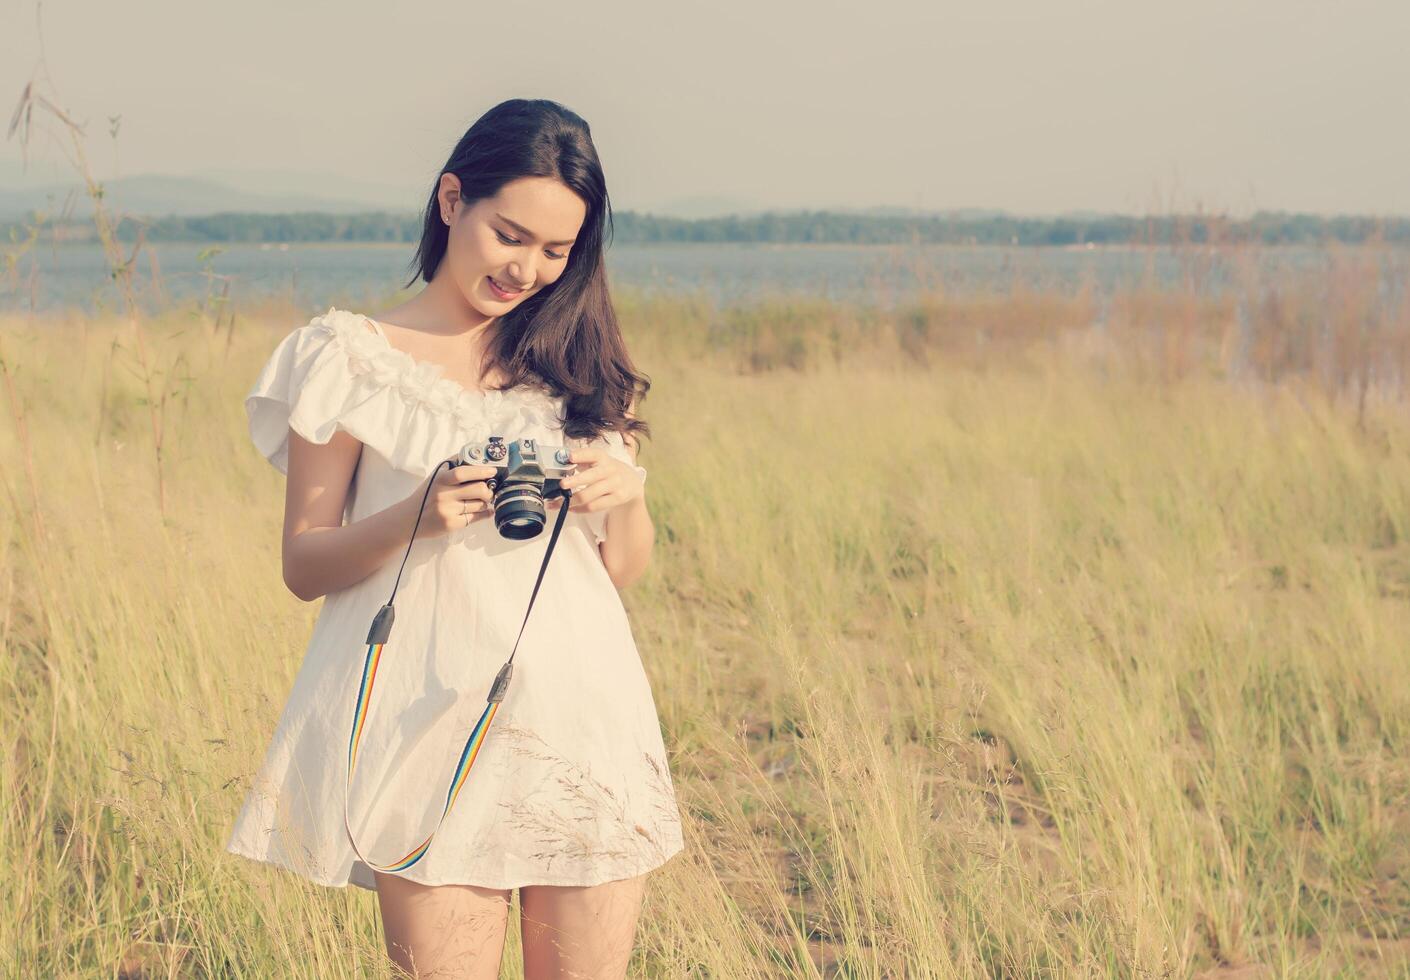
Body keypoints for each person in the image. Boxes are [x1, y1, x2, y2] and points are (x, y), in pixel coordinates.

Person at [225, 98, 686, 979]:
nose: (528, 269)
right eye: (510, 235)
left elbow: (618, 570)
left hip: (582, 721)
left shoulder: (582, 368)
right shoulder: (350, 358)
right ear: (450, 201)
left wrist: (625, 495)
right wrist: (418, 516)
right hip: (425, 723)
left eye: (557, 251)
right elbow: (302, 564)